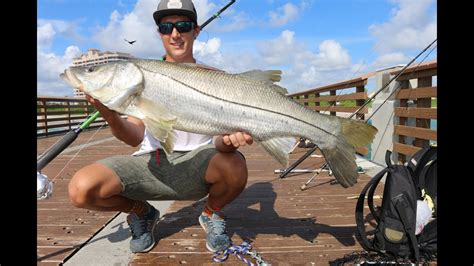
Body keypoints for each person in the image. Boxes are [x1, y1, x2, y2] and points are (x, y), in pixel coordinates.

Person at [68, 0, 253, 254]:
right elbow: (134, 137)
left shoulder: (217, 77)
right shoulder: (141, 76)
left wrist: (229, 143)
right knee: (81, 188)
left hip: (199, 164)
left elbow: (220, 140)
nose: (175, 34)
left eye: (183, 25)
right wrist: (109, 114)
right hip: (151, 164)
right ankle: (142, 212)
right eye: (167, 28)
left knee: (234, 164)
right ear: (160, 34)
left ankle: (211, 213)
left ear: (196, 31)